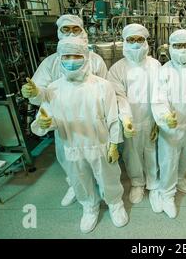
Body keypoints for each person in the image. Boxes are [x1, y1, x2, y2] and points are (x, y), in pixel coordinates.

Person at [30, 36, 128, 233]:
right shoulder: (53, 88)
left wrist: (114, 143)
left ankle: (115, 204)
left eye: (76, 55)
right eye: (67, 56)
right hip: (72, 144)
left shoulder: (102, 85)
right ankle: (89, 207)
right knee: (79, 179)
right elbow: (46, 119)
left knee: (108, 177)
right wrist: (43, 123)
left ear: (86, 57)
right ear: (60, 58)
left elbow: (112, 117)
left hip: (100, 143)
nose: (72, 60)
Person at [21, 14, 108, 207]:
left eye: (75, 29)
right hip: (65, 125)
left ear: (83, 31)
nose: (71, 34)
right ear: (59, 33)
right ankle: (77, 187)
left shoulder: (96, 61)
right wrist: (33, 92)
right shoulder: (51, 62)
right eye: (65, 30)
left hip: (93, 124)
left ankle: (104, 191)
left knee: (101, 166)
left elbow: (106, 92)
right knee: (72, 164)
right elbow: (43, 94)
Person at [107, 24, 162, 212]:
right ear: (125, 42)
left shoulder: (155, 65)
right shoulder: (117, 68)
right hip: (129, 121)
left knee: (152, 151)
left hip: (151, 119)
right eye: (131, 40)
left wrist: (158, 121)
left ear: (146, 42)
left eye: (140, 40)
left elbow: (161, 94)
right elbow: (118, 96)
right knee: (132, 154)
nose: (136, 44)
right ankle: (137, 182)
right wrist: (126, 119)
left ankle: (154, 184)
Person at [151, 29, 186, 218]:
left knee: (185, 158)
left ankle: (180, 179)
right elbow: (158, 99)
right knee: (169, 161)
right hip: (171, 128)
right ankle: (166, 193)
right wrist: (166, 117)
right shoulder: (164, 71)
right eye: (178, 46)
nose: (182, 50)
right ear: (170, 47)